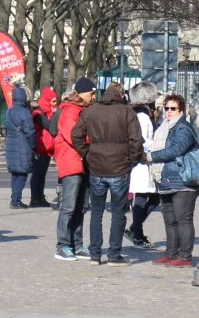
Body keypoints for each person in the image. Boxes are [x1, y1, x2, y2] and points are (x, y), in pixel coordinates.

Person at [71, 81, 144, 266]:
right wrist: (132, 161)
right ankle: (113, 254)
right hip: (120, 167)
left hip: (97, 167)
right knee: (118, 212)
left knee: (96, 212)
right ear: (121, 95)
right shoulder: (127, 112)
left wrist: (87, 154)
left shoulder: (91, 111)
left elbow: (76, 135)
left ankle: (95, 254)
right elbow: (137, 140)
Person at [146, 92, 199, 267]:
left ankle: (185, 256)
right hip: (164, 178)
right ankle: (171, 253)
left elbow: (176, 150)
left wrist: (151, 157)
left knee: (183, 218)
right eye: (166, 108)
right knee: (169, 218)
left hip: (182, 179)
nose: (168, 112)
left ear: (181, 111)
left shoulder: (184, 128)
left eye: (173, 109)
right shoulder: (163, 128)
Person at [51, 78, 96, 260]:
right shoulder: (70, 112)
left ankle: (77, 244)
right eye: (91, 93)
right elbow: (74, 137)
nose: (93, 96)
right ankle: (63, 245)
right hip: (72, 163)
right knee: (69, 206)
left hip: (83, 162)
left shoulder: (84, 111)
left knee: (81, 206)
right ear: (82, 93)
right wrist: (92, 143)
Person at [125, 81, 161, 249]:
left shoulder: (141, 114)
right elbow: (143, 139)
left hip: (144, 160)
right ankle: (136, 233)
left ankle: (135, 229)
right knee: (143, 197)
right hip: (142, 161)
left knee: (151, 197)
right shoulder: (142, 116)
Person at [4, 78, 36, 209]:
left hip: (11, 144)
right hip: (22, 145)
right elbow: (30, 132)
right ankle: (16, 201)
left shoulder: (9, 111)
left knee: (15, 174)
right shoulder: (25, 112)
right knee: (22, 174)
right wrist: (33, 146)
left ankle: (15, 198)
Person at [29, 87, 57, 207]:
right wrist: (55, 113)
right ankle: (35, 198)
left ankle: (40, 197)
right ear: (47, 100)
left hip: (46, 148)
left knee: (42, 174)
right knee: (37, 174)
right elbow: (49, 126)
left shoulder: (47, 112)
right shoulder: (38, 113)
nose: (55, 103)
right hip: (39, 147)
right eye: (53, 101)